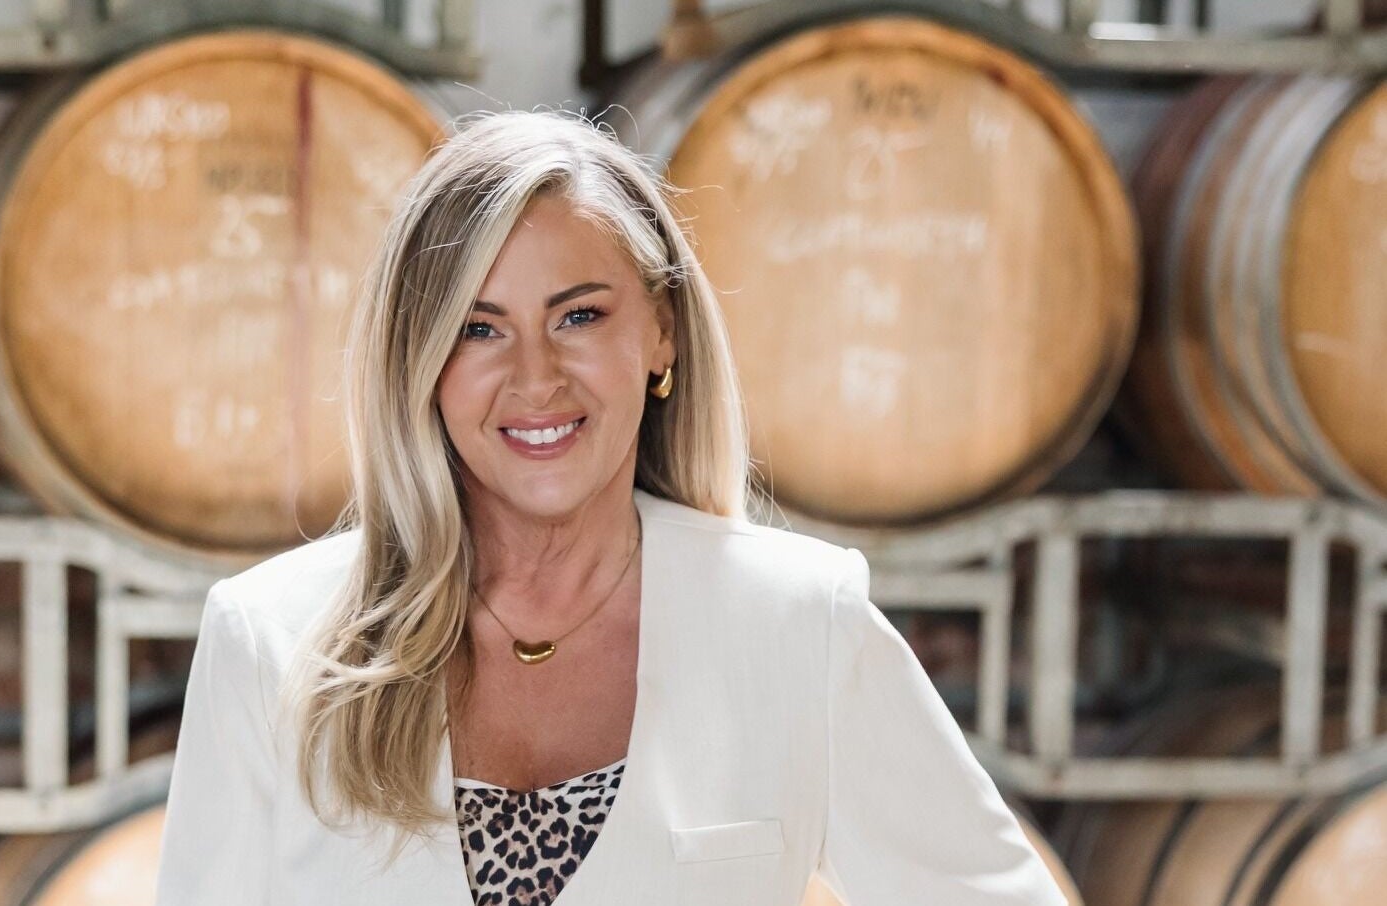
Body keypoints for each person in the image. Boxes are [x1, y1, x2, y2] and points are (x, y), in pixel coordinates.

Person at [154, 110, 1067, 906]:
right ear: (417, 363)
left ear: (660, 329)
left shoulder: (797, 622)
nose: (535, 376)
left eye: (579, 315)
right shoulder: (271, 639)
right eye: (478, 329)